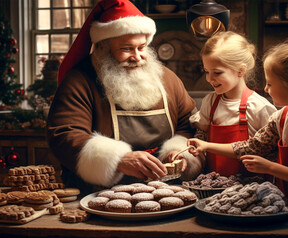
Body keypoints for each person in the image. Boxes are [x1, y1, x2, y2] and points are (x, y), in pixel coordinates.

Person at [187, 39, 288, 238]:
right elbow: (253, 146)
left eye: (271, 83)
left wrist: (270, 168)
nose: (266, 88)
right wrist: (206, 145)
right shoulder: (282, 117)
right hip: (287, 206)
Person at [47, 0, 202, 192]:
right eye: (127, 48)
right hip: (98, 194)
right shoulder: (79, 81)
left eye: (142, 47)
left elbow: (188, 124)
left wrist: (179, 152)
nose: (137, 57)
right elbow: (65, 134)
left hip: (164, 189)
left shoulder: (167, 78)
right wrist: (118, 159)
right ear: (103, 47)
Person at [189, 31, 276, 176]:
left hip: (249, 188)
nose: (209, 79)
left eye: (217, 73)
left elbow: (269, 152)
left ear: (240, 70)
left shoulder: (259, 107)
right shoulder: (210, 102)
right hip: (212, 186)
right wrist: (191, 151)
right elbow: (202, 133)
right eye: (206, 71)